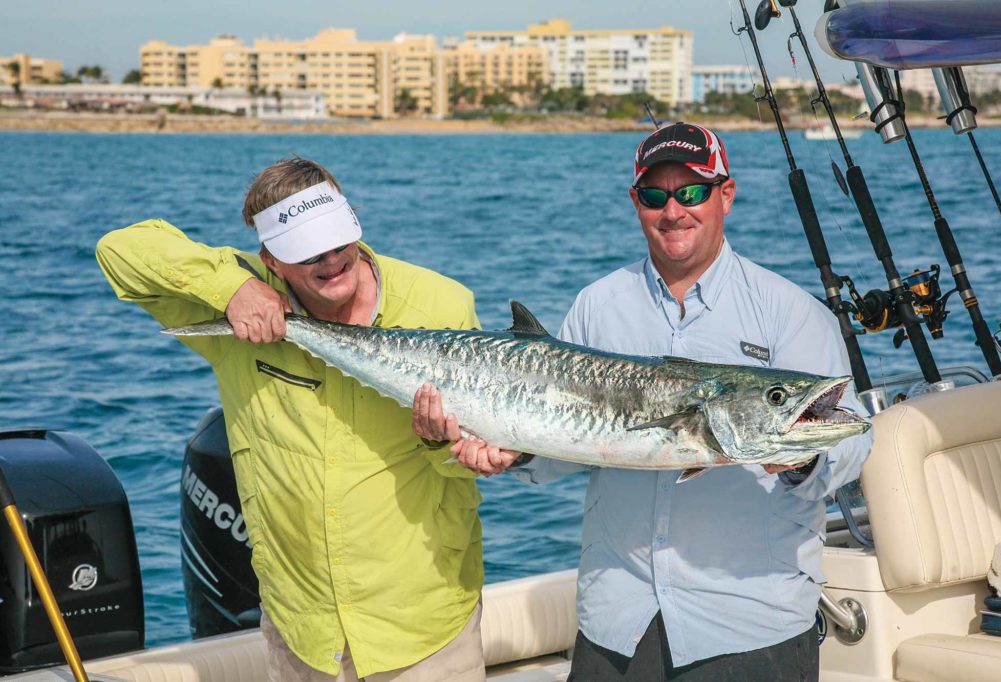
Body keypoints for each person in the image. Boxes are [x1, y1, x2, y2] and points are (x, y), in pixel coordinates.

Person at [412, 122, 873, 681]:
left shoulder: (790, 313)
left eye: (693, 191)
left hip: (748, 623)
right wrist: (518, 454)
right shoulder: (597, 306)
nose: (674, 210)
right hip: (616, 619)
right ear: (637, 202)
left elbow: (854, 439)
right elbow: (573, 438)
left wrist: (801, 461)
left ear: (725, 194)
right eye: (655, 196)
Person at [97, 157, 486, 682]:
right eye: (307, 251)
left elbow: (469, 463)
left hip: (423, 623)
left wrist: (448, 447)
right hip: (304, 631)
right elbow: (120, 250)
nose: (331, 260)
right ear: (271, 260)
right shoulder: (238, 305)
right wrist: (228, 288)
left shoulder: (442, 302)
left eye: (338, 240)